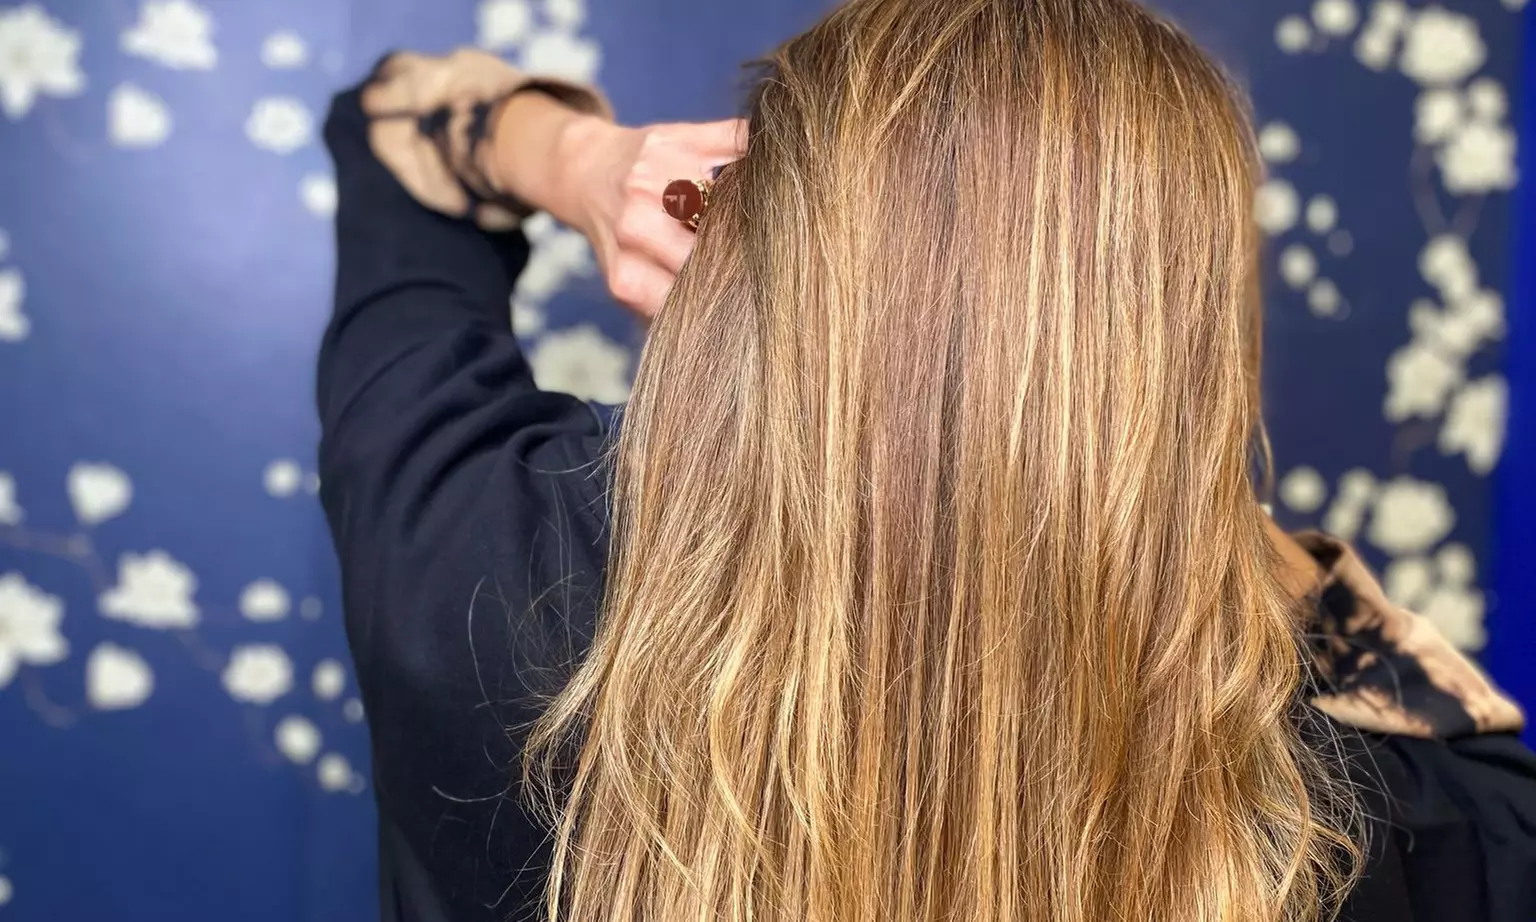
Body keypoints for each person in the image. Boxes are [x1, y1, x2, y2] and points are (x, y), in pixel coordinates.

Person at [316, 1, 1536, 920]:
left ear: (755, 233)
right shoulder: (1356, 835)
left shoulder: (472, 561)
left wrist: (584, 164)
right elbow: (1490, 773)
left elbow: (391, 128)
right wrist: (1147, 467)